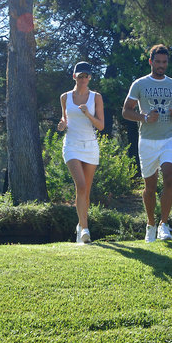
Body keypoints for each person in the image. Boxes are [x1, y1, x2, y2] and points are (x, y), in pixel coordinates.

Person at [122, 44, 172, 242]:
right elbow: (126, 111)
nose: (161, 65)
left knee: (169, 178)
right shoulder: (139, 84)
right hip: (147, 141)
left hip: (169, 138)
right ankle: (150, 224)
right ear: (151, 62)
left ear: (167, 63)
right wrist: (143, 117)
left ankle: (164, 225)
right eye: (157, 62)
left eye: (164, 62)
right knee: (150, 188)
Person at [57, 61, 105, 244]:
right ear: (74, 76)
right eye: (80, 75)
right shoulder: (65, 97)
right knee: (81, 185)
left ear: (90, 77)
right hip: (71, 145)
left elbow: (101, 126)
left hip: (90, 146)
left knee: (86, 191)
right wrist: (62, 124)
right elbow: (65, 118)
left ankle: (80, 226)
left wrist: (88, 114)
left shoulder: (96, 97)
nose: (83, 79)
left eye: (86, 76)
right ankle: (85, 229)